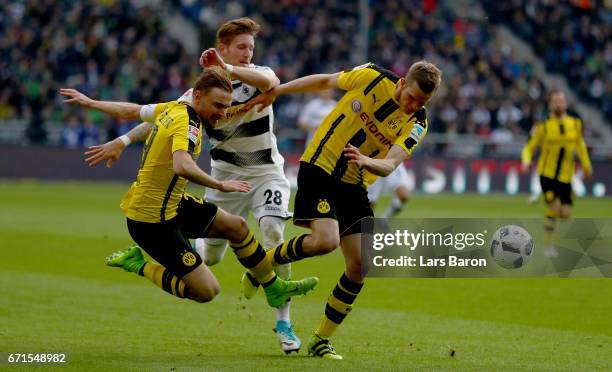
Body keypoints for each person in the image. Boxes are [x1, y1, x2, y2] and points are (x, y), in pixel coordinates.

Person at [96, 18, 304, 354]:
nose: (248, 53)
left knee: (274, 232)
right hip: (225, 175)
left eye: (251, 47)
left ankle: (284, 322)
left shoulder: (258, 75)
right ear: (223, 48)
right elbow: (160, 119)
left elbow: (270, 79)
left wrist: (230, 69)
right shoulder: (203, 92)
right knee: (211, 256)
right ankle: (187, 258)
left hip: (267, 172)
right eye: (241, 47)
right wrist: (123, 140)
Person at [59, 67, 318, 313]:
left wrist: (92, 103)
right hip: (151, 222)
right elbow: (182, 165)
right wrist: (220, 185)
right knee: (207, 291)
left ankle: (273, 287)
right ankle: (138, 264)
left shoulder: (174, 107)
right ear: (197, 96)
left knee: (237, 227)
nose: (221, 113)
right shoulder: (187, 122)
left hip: (173, 203)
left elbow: (132, 110)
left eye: (226, 106)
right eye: (217, 105)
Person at [244, 61, 442, 359]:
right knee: (325, 241)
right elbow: (326, 81)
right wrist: (278, 91)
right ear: (402, 83)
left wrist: (367, 161)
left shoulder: (418, 123)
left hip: (355, 183)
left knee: (361, 265)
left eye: (422, 102)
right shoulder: (373, 76)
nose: (414, 105)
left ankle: (320, 339)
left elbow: (390, 164)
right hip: (321, 166)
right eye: (412, 96)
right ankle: (262, 264)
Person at [521, 89, 593, 258]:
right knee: (554, 208)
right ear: (550, 104)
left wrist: (587, 166)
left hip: (566, 176)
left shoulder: (575, 124)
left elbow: (580, 146)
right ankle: (547, 246)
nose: (559, 103)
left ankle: (542, 199)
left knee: (565, 215)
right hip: (547, 175)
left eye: (561, 100)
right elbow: (529, 147)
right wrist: (526, 161)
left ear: (566, 103)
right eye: (555, 101)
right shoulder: (543, 126)